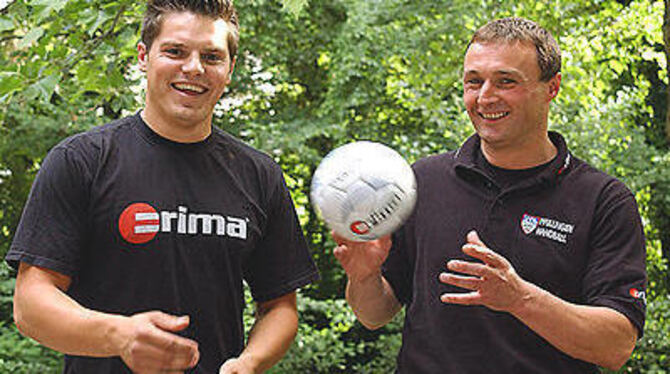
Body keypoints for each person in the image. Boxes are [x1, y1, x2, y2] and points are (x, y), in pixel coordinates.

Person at [7, 1, 319, 373]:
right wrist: (118, 335)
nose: (193, 68)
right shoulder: (81, 160)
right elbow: (30, 303)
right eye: (175, 51)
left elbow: (279, 307)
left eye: (212, 56)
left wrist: (250, 363)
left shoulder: (259, 174)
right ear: (144, 56)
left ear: (230, 69)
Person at [332, 17, 646, 373]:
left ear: (552, 87)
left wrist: (519, 299)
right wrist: (363, 277)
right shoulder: (421, 181)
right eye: (473, 82)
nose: (485, 97)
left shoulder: (603, 200)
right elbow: (374, 315)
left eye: (506, 81)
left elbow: (617, 346)